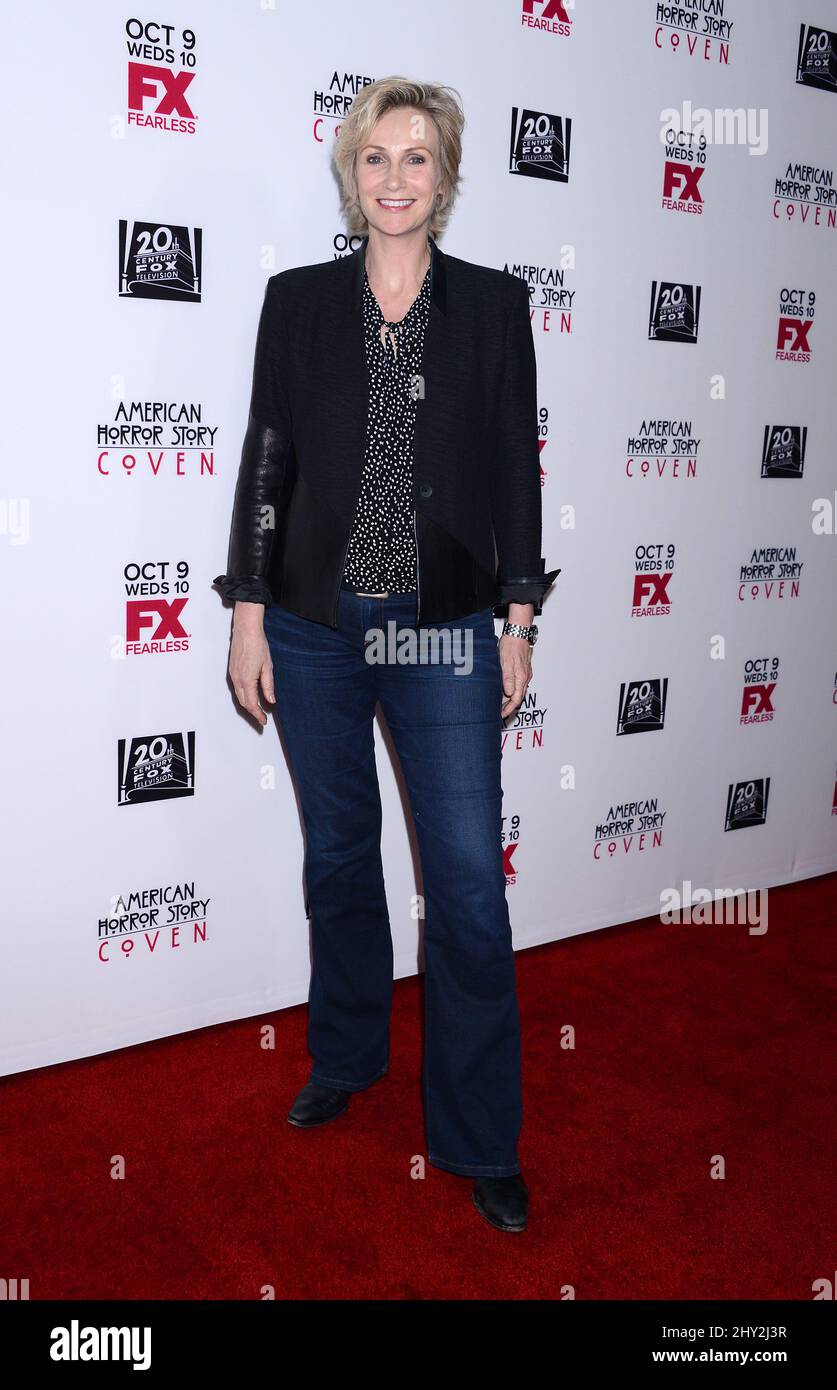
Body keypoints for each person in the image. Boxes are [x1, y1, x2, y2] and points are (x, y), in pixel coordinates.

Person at [214, 76, 559, 1233]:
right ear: (350, 174)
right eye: (377, 158)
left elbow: (518, 465)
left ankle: (478, 1137)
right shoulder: (297, 302)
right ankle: (348, 1056)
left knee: (465, 885)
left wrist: (518, 618)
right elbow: (268, 461)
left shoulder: (494, 307)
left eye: (418, 159)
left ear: (447, 178)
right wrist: (249, 608)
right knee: (339, 859)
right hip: (312, 624)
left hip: (444, 626)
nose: (396, 179)